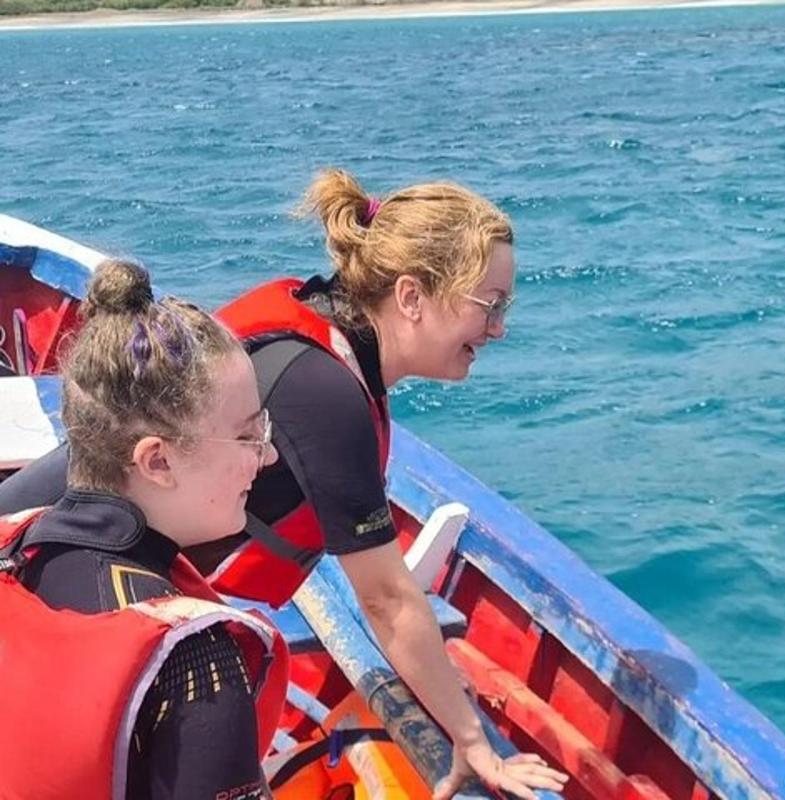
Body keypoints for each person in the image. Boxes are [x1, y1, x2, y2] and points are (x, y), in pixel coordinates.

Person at [0, 171, 567, 800]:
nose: (499, 329)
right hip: (68, 571)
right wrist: (472, 742)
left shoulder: (316, 326)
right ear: (412, 297)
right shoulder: (326, 395)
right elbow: (385, 599)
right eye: (490, 305)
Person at [0, 259, 288, 799]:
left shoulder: (16, 555)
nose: (268, 455)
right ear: (156, 462)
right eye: (249, 435)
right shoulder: (195, 666)